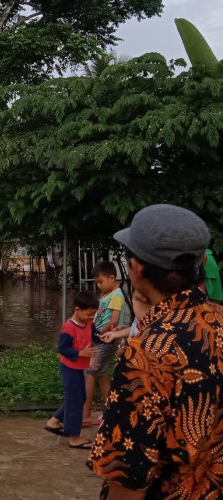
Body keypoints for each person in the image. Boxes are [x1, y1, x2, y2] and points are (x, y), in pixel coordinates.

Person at [88, 204, 223, 499]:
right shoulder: (218, 319)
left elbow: (128, 473)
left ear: (136, 267)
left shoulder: (146, 351)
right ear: (200, 260)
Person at [44, 290, 99, 448]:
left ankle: (54, 421)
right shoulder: (68, 328)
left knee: (79, 397)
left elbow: (95, 335)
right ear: (77, 310)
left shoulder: (88, 322)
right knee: (75, 401)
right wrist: (81, 353)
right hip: (69, 368)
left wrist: (107, 336)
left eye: (93, 315)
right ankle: (74, 438)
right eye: (89, 314)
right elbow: (62, 348)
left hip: (79, 368)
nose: (91, 318)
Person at [82, 261, 126, 426]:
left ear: (112, 277)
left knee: (89, 373)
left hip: (106, 340)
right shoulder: (107, 296)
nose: (99, 285)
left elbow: (113, 321)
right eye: (96, 283)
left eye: (100, 282)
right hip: (101, 339)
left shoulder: (116, 296)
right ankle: (110, 411)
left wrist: (98, 333)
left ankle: (86, 414)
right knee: (100, 375)